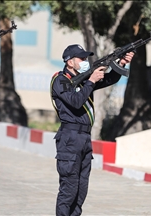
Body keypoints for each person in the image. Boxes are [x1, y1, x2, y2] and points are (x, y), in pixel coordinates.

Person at [51, 44, 134, 216]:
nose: (85, 61)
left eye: (86, 58)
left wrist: (122, 62)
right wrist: (90, 81)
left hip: (84, 138)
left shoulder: (83, 80)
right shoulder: (60, 80)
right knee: (69, 191)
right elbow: (75, 101)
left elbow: (110, 79)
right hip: (70, 138)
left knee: (81, 191)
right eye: (81, 58)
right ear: (69, 62)